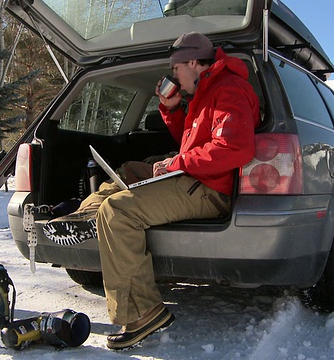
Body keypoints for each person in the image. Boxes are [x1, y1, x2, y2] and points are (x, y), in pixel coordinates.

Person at [44, 31, 260, 350]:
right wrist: (172, 109)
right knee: (130, 169)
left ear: (191, 62)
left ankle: (144, 312)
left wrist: (176, 164)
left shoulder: (229, 88)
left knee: (118, 212)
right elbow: (190, 140)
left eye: (175, 69)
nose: (173, 75)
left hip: (209, 187)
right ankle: (83, 218)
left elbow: (235, 148)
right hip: (192, 176)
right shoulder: (206, 90)